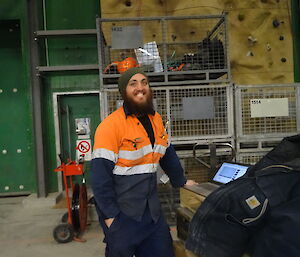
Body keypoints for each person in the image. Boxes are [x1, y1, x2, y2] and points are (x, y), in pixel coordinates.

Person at [91, 67, 197, 257]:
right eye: (133, 84)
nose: (140, 88)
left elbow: (167, 153)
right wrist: (111, 218)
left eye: (144, 82)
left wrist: (180, 181)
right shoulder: (110, 127)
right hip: (123, 215)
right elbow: (100, 179)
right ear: (124, 91)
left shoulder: (156, 119)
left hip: (152, 215)